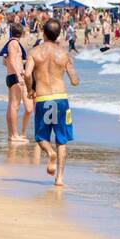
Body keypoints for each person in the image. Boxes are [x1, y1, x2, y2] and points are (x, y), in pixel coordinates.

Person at [24, 18, 79, 188]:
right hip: (60, 99)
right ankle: (60, 178)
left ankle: (50, 153)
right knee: (61, 140)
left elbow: (27, 74)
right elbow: (75, 81)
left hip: (42, 99)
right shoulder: (64, 54)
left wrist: (30, 90)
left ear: (43, 33)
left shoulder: (34, 52)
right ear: (59, 34)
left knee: (41, 137)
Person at [1, 23, 30, 143]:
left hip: (12, 75)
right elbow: (12, 60)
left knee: (12, 106)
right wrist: (19, 75)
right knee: (15, 106)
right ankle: (14, 135)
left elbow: (6, 61)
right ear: (21, 33)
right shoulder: (14, 43)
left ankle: (12, 134)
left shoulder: (11, 43)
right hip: (15, 76)